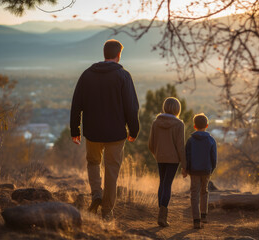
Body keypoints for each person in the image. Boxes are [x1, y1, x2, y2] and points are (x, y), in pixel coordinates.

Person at [70, 39, 139, 220]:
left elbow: (76, 104)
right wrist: (134, 130)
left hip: (92, 132)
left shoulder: (87, 75)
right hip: (116, 134)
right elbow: (131, 107)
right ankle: (107, 211)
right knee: (111, 170)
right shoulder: (123, 76)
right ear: (118, 55)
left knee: (93, 162)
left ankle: (96, 195)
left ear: (104, 54)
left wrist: (74, 129)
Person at [148, 97, 186, 227]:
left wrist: (157, 154)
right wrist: (184, 165)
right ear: (177, 109)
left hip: (160, 157)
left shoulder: (155, 123)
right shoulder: (179, 124)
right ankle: (162, 216)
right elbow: (180, 146)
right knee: (167, 184)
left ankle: (161, 213)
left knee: (162, 183)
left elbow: (151, 144)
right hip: (173, 159)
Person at [182, 113, 217, 229]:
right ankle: (204, 215)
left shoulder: (191, 140)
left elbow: (187, 155)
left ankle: (196, 220)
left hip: (194, 171)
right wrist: (211, 169)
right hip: (206, 170)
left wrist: (186, 169)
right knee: (204, 191)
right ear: (207, 125)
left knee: (194, 194)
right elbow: (214, 158)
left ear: (194, 126)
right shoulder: (211, 140)